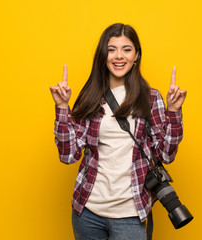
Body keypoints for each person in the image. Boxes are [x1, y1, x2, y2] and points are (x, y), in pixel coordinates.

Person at [49, 23, 187, 240]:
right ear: (103, 56)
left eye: (127, 49)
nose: (118, 56)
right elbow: (68, 156)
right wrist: (63, 108)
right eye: (112, 49)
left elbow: (166, 155)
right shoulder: (90, 97)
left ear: (137, 56)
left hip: (132, 214)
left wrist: (173, 112)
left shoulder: (151, 98)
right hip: (88, 212)